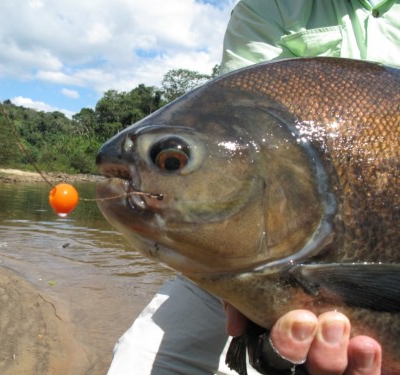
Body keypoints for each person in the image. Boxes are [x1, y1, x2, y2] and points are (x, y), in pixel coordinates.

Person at [107, 1, 399, 374]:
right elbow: (234, 107)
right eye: (172, 161)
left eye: (172, 161)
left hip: (306, 250)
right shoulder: (269, 5)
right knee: (139, 361)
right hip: (240, 256)